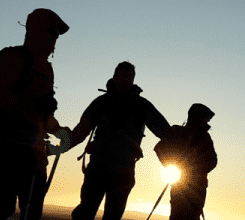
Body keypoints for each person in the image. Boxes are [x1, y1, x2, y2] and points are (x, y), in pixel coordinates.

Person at [0, 8, 71, 220]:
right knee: (7, 208)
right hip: (13, 148)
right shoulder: (14, 59)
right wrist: (37, 105)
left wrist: (57, 130)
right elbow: (0, 99)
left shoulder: (46, 69)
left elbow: (42, 115)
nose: (54, 40)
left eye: (56, 35)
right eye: (51, 32)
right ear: (36, 31)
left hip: (34, 154)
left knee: (19, 210)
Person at [66, 61, 171, 220]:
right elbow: (81, 130)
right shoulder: (102, 103)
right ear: (114, 77)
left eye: (130, 77)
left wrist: (183, 151)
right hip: (98, 169)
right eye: (123, 76)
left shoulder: (142, 106)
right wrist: (58, 147)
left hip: (122, 173)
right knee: (85, 212)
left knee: (111, 216)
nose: (126, 80)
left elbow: (164, 131)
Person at [158, 103, 217, 220]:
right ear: (197, 117)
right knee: (178, 215)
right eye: (205, 119)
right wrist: (171, 164)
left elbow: (212, 161)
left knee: (190, 215)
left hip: (196, 187)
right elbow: (159, 148)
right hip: (181, 186)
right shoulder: (178, 132)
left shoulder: (204, 138)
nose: (207, 122)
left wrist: (193, 169)